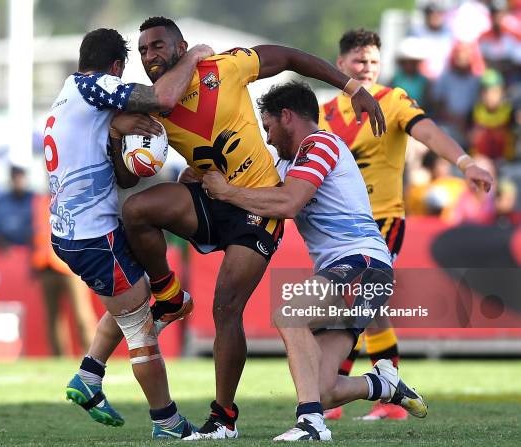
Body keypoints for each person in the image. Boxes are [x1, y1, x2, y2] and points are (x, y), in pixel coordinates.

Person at [106, 16, 386, 440]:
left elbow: (291, 56)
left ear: (182, 46)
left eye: (158, 46)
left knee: (226, 307)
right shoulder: (150, 107)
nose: (150, 56)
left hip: (258, 208)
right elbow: (128, 179)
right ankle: (167, 294)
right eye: (143, 51)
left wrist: (352, 88)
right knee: (137, 210)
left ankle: (225, 418)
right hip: (216, 195)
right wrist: (116, 140)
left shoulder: (226, 68)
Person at [201, 81, 427, 441]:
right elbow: (255, 189)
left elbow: (288, 203)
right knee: (323, 390)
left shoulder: (320, 144)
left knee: (289, 314)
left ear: (287, 116)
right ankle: (383, 384)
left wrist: (227, 191)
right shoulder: (291, 158)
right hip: (361, 270)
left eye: (269, 127)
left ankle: (310, 423)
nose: (269, 138)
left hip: (361, 262)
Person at [46, 28, 213, 438]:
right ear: (117, 68)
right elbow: (163, 99)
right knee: (140, 326)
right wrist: (195, 58)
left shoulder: (69, 95)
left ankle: (89, 375)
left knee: (156, 304)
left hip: (79, 231)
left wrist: (119, 134)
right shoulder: (95, 86)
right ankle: (167, 422)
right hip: (92, 237)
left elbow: (120, 175)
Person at [318, 29, 493, 420]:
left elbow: (427, 132)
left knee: (365, 297)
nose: (368, 68)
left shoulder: (392, 100)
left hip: (383, 220)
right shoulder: (323, 112)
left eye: (375, 62)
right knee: (360, 306)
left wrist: (465, 163)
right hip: (337, 227)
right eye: (361, 61)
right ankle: (351, 391)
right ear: (341, 64)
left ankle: (362, 393)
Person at [31, 193, 96, 355]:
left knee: (82, 314)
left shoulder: (75, 197)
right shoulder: (39, 200)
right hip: (45, 264)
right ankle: (59, 360)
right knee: (53, 318)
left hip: (71, 264)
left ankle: (94, 359)